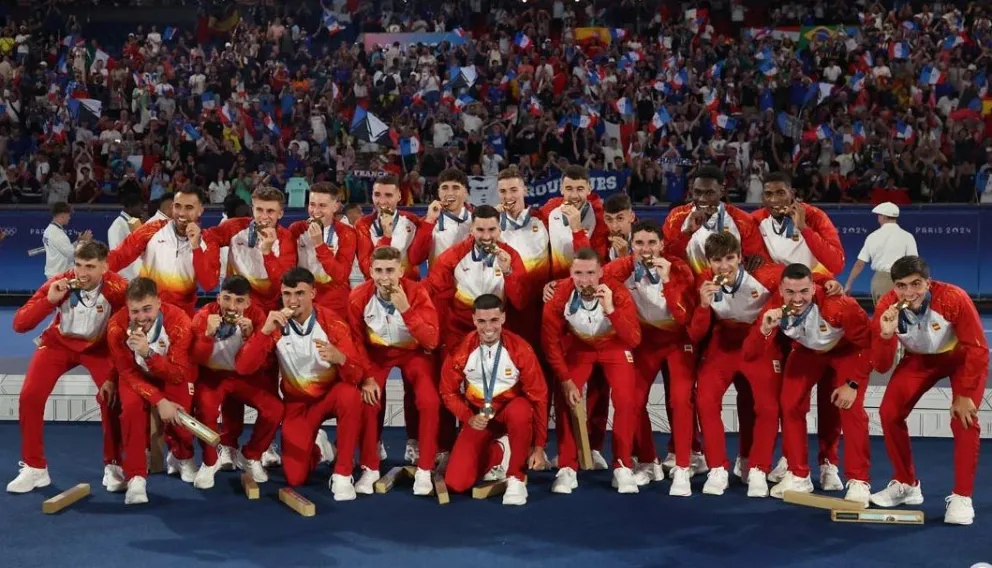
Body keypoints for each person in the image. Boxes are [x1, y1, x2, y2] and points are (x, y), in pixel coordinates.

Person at [869, 256, 987, 525]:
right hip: (919, 360)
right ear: (894, 287)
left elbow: (977, 347)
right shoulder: (887, 306)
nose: (909, 293)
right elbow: (882, 364)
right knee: (889, 413)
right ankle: (907, 484)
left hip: (960, 358)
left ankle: (962, 497)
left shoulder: (953, 297)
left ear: (928, 282)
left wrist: (966, 393)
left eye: (916, 284)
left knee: (964, 419)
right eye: (902, 286)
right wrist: (885, 335)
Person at [743, 264, 873, 504]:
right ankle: (799, 473)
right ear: (781, 289)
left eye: (804, 291)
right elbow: (750, 355)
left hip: (847, 352)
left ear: (814, 287)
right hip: (808, 352)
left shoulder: (840, 305)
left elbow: (869, 344)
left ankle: (858, 480)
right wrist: (763, 329)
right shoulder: (774, 309)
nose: (797, 299)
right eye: (790, 292)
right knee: (789, 403)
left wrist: (853, 383)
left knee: (850, 408)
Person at [235, 267, 364, 500]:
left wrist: (340, 358)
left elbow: (356, 376)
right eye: (287, 294)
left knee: (350, 395)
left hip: (329, 397)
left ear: (313, 293)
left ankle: (343, 473)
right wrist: (264, 331)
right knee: (296, 478)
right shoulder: (275, 326)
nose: (293, 301)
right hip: (297, 406)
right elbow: (244, 367)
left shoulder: (332, 323)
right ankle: (320, 447)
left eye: (300, 294)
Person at [7, 241, 126, 494]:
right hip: (59, 344)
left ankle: (114, 464)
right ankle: (34, 468)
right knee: (30, 396)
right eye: (79, 265)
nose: (82, 273)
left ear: (105, 266)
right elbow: (19, 324)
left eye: (90, 267)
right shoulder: (60, 282)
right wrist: (49, 301)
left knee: (112, 398)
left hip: (99, 348)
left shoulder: (119, 289)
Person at [752, 171, 847, 485]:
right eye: (769, 194)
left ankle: (828, 462)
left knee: (828, 393)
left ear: (792, 192)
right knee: (787, 394)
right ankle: (791, 457)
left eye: (781, 193)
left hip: (820, 309)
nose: (776, 200)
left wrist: (805, 229)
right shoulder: (755, 222)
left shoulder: (815, 217)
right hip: (779, 311)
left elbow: (836, 262)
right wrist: (790, 281)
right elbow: (753, 263)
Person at [687, 233, 786, 498]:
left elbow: (805, 278)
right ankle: (717, 468)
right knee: (705, 401)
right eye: (717, 260)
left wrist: (831, 284)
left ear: (740, 257)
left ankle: (757, 469)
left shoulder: (767, 276)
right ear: (708, 262)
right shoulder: (703, 283)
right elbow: (696, 334)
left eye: (730, 258)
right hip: (723, 344)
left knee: (767, 406)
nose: (724, 266)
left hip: (761, 341)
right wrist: (704, 306)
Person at [206, 185, 298, 467]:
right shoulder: (234, 228)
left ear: (281, 213)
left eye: (271, 211)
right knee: (232, 377)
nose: (264, 216)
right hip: (235, 312)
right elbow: (208, 237)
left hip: (268, 320)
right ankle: (228, 445)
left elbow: (285, 282)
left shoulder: (286, 238)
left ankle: (266, 444)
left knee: (267, 380)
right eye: (259, 210)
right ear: (252, 209)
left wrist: (268, 252)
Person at [602, 220, 697, 492]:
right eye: (640, 243)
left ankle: (682, 466)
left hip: (678, 341)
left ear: (662, 245)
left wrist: (667, 281)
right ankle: (647, 460)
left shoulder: (679, 269)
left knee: (680, 399)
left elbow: (683, 317)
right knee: (631, 400)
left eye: (652, 243)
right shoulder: (622, 269)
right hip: (645, 343)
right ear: (632, 246)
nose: (646, 250)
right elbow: (589, 278)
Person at [542, 248, 642, 494]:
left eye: (590, 273)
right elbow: (550, 341)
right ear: (570, 273)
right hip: (580, 347)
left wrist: (610, 310)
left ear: (600, 273)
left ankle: (622, 465)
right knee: (566, 397)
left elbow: (634, 339)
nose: (584, 280)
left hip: (614, 347)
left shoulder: (617, 292)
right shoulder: (561, 294)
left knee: (627, 400)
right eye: (578, 273)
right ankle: (567, 466)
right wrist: (565, 379)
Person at [347, 246, 442, 495]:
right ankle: (370, 466)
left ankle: (424, 468)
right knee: (369, 399)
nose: (384, 277)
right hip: (376, 355)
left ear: (401, 271)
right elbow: (356, 343)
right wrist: (366, 377)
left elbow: (431, 341)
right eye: (378, 271)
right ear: (369, 271)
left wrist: (406, 309)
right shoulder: (358, 296)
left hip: (413, 353)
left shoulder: (418, 292)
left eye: (390, 270)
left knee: (429, 401)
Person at [440, 294, 549, 506]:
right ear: (473, 320)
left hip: (511, 410)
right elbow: (448, 392)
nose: (488, 327)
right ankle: (502, 451)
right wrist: (468, 417)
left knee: (521, 409)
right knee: (456, 483)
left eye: (494, 320)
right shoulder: (462, 349)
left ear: (503, 319)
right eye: (481, 321)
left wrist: (539, 447)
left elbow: (539, 398)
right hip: (478, 416)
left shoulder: (520, 349)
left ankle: (516, 476)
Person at [106, 277, 197, 505]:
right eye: (135, 311)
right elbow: (127, 373)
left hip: (171, 373)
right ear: (127, 307)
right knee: (131, 411)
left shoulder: (178, 321)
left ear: (158, 302)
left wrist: (148, 354)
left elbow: (177, 373)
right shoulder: (117, 327)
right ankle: (136, 477)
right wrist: (159, 400)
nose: (141, 317)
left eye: (147, 309)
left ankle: (181, 455)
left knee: (182, 412)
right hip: (136, 378)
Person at [189, 275, 284, 490]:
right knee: (205, 410)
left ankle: (251, 455)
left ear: (248, 302)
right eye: (227, 298)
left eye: (239, 301)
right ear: (219, 297)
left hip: (244, 377)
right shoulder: (203, 315)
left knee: (275, 409)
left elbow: (249, 367)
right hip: (212, 377)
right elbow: (196, 360)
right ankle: (209, 461)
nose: (232, 306)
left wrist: (251, 338)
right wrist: (207, 335)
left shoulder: (258, 316)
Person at [426, 204, 529, 350]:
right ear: (471, 230)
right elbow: (438, 292)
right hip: (460, 328)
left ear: (500, 229)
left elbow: (520, 301)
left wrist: (508, 272)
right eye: (480, 230)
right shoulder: (453, 256)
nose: (486, 236)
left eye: (492, 229)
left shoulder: (511, 256)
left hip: (497, 327)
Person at [107, 186, 221, 315]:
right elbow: (118, 257)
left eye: (189, 207)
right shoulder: (152, 230)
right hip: (147, 314)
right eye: (178, 206)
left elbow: (209, 284)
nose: (182, 213)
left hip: (181, 319)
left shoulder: (209, 242)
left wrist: (196, 248)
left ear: (200, 210)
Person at [662, 165, 768, 274]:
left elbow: (753, 259)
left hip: (729, 283)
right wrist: (687, 233)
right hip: (689, 284)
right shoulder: (677, 216)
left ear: (721, 191)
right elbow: (668, 256)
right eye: (697, 192)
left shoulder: (742, 219)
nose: (702, 199)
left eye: (709, 193)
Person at [287, 182, 357, 318]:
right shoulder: (297, 229)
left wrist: (320, 245)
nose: (316, 211)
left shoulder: (346, 233)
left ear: (336, 206)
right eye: (312, 204)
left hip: (335, 303)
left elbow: (341, 276)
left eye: (322, 206)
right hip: (303, 299)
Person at [540, 165, 609, 279]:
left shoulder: (600, 217)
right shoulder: (550, 209)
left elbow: (594, 262)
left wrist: (577, 230)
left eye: (580, 189)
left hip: (586, 284)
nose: (574, 195)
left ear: (589, 189)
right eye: (569, 189)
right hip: (557, 286)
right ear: (561, 189)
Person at [842, 202, 918, 303]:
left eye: (879, 215)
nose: (878, 218)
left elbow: (860, 264)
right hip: (903, 282)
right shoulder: (907, 236)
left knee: (884, 316)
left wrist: (848, 284)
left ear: (884, 217)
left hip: (881, 281)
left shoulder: (873, 237)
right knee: (901, 315)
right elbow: (914, 263)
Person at [354, 175, 424, 281]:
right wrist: (386, 236)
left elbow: (418, 258)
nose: (382, 201)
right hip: (377, 288)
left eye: (388, 195)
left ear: (399, 196)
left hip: (407, 287)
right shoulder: (363, 225)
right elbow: (367, 269)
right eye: (377, 195)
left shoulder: (412, 220)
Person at [407, 168, 473, 268]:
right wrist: (429, 221)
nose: (450, 193)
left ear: (466, 192)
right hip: (438, 282)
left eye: (456, 188)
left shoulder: (478, 220)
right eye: (445, 188)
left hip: (469, 282)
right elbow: (415, 259)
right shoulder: (427, 222)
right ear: (439, 192)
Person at [43, 202, 92, 279]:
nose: (69, 218)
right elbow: (72, 255)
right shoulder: (57, 234)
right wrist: (84, 243)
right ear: (62, 216)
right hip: (59, 276)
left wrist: (78, 242)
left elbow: (64, 248)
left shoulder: (49, 230)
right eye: (68, 215)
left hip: (54, 274)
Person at [106, 193, 145, 280]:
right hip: (127, 278)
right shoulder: (118, 226)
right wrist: (122, 279)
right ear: (130, 208)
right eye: (140, 207)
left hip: (137, 276)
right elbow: (115, 255)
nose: (142, 211)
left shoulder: (134, 224)